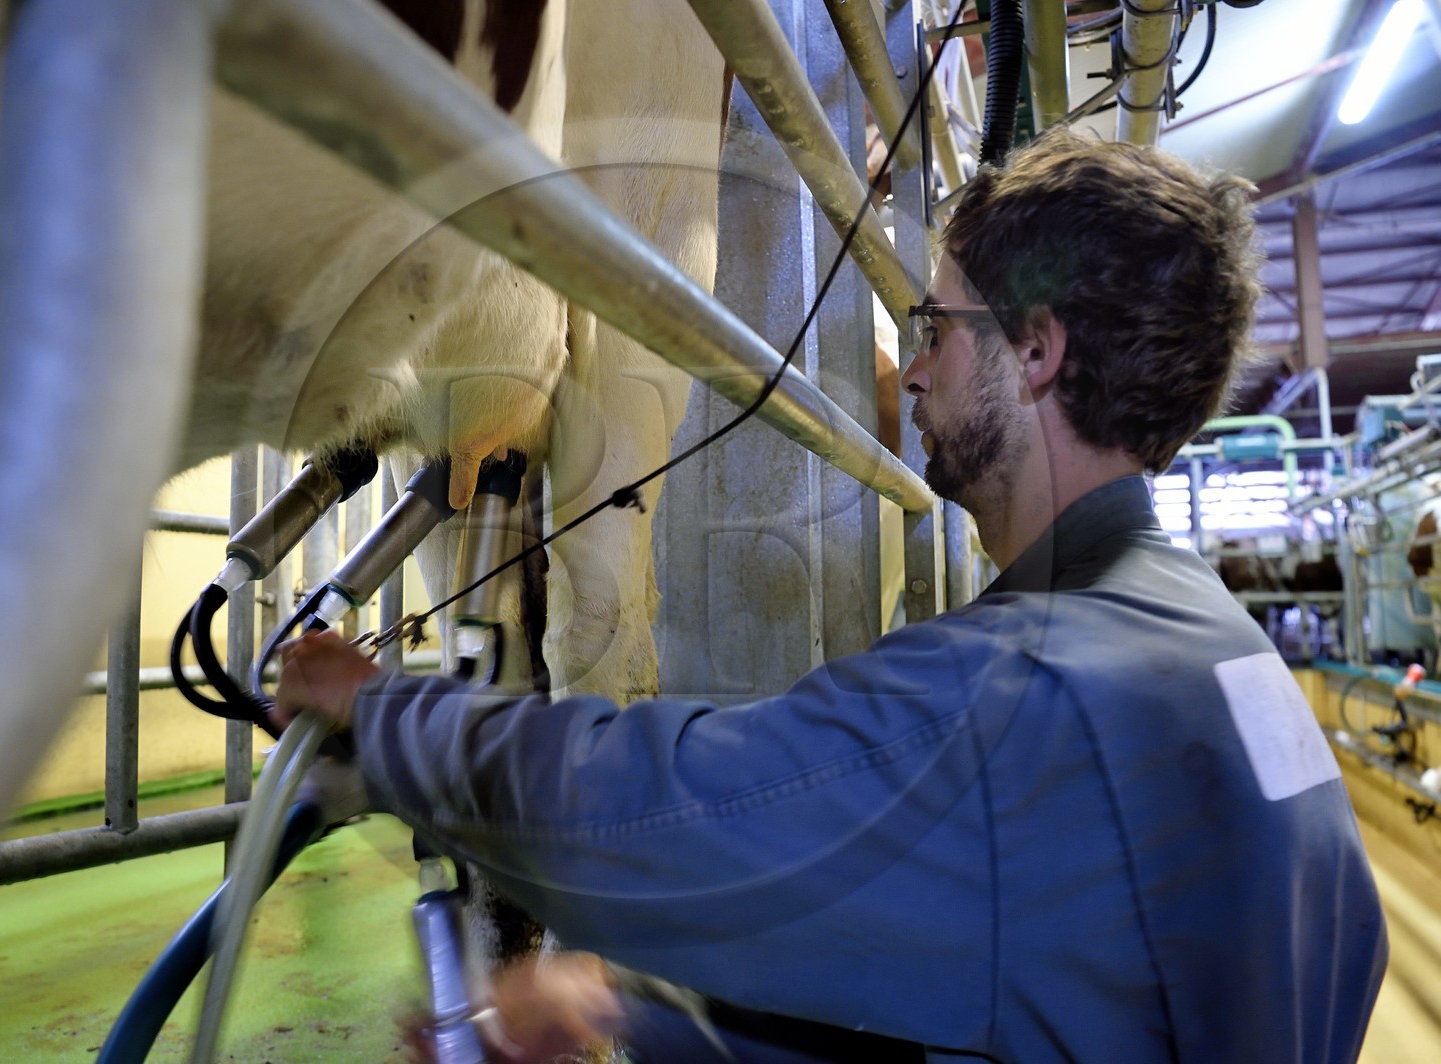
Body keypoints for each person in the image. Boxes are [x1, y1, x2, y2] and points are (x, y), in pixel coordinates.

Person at [271, 129, 1387, 1062]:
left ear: (1035, 350)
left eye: (936, 328)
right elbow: (1038, 993)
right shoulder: (1221, 648)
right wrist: (627, 1018)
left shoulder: (1018, 692)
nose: (909, 370)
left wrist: (383, 711)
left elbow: (662, 810)